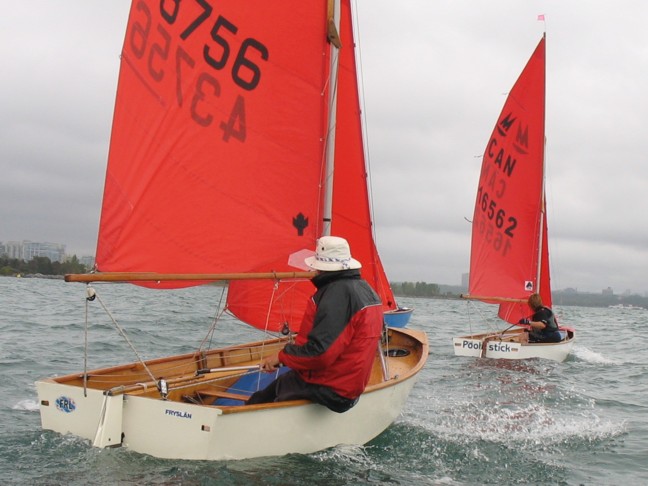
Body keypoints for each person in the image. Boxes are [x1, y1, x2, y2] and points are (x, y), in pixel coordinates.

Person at [246, 236, 384, 413]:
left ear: (322, 267)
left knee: (259, 401)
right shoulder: (365, 289)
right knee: (281, 384)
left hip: (330, 388)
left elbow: (321, 354)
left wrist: (281, 356)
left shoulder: (337, 294)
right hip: (347, 386)